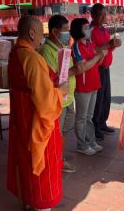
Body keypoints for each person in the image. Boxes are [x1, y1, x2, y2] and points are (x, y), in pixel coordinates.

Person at [7, 15, 69, 211]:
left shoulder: (15, 54)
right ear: (32, 32)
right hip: (36, 123)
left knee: (26, 163)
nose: (42, 37)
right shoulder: (32, 58)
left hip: (22, 123)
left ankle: (29, 200)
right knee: (43, 168)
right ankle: (41, 205)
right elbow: (45, 103)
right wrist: (61, 92)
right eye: (41, 32)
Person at [39, 14, 82, 173]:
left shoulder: (61, 48)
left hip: (68, 99)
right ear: (55, 32)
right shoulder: (46, 51)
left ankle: (59, 159)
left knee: (63, 132)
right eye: (66, 31)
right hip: (58, 101)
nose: (68, 34)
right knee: (56, 134)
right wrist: (73, 71)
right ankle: (55, 161)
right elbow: (53, 79)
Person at [70, 18, 107, 155]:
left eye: (88, 27)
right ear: (78, 30)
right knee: (81, 117)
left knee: (89, 117)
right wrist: (98, 57)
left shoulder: (89, 44)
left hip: (93, 84)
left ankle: (91, 141)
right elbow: (83, 66)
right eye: (85, 27)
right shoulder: (76, 46)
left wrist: (101, 55)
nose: (89, 30)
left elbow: (96, 62)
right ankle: (82, 144)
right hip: (83, 87)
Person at [90, 3, 121, 141]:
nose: (104, 17)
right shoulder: (91, 31)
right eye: (101, 14)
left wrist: (113, 44)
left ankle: (102, 123)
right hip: (97, 69)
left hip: (106, 68)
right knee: (98, 99)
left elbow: (108, 49)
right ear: (94, 16)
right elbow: (93, 50)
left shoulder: (104, 30)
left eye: (105, 14)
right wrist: (109, 44)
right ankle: (95, 126)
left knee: (106, 98)